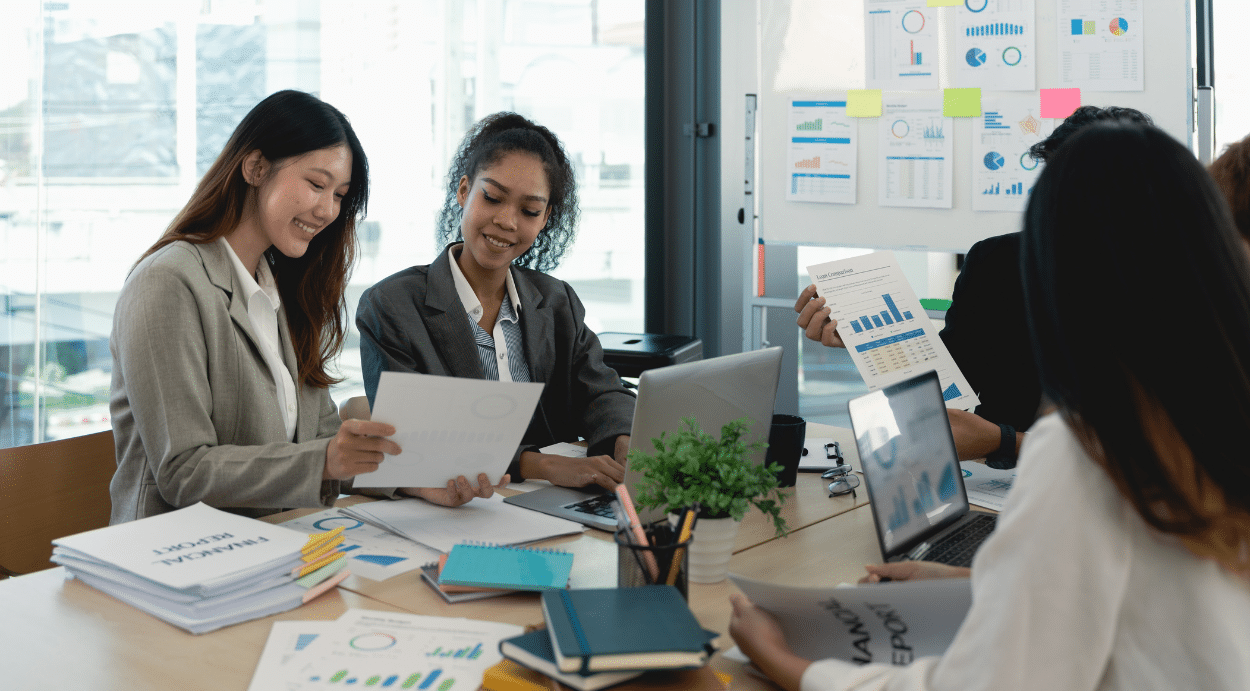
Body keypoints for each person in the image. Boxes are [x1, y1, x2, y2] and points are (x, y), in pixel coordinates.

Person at [730, 121, 1250, 690]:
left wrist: (792, 667)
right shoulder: (1209, 417)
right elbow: (1153, 594)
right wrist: (988, 584)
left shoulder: (1091, 450)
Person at [109, 91, 495, 524]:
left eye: (339, 195)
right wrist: (328, 458)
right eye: (316, 184)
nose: (328, 210)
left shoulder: (282, 289)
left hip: (277, 545)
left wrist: (416, 479)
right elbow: (183, 472)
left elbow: (324, 439)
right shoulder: (168, 283)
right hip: (174, 560)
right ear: (255, 168)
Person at [795, 106, 1152, 466]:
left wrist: (1006, 441)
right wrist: (869, 343)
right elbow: (949, 382)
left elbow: (1153, 451)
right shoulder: (997, 260)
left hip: (1113, 491)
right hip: (994, 478)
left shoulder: (1172, 282)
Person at [356, 112, 635, 491]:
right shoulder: (392, 306)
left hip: (555, 505)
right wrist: (541, 465)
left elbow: (602, 391)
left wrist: (625, 440)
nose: (507, 221)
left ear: (545, 218)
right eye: (492, 197)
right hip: (455, 508)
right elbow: (416, 440)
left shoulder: (556, 302)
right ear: (463, 190)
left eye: (529, 211)